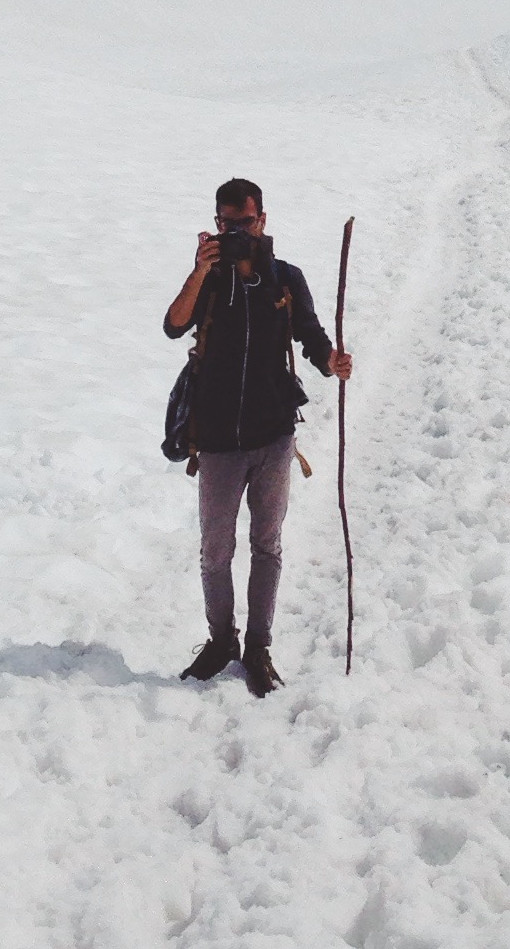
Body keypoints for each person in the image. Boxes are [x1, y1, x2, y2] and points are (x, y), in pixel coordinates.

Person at [164, 178, 352, 695]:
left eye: (244, 224)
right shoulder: (209, 277)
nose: (236, 233)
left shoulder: (284, 279)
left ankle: (258, 648)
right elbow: (173, 325)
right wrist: (201, 268)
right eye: (227, 224)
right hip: (219, 438)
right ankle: (221, 640)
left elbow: (310, 335)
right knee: (215, 551)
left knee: (266, 545)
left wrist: (330, 360)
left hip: (273, 435)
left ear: (263, 221)